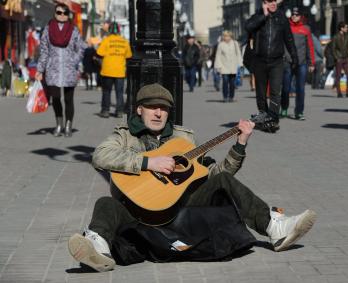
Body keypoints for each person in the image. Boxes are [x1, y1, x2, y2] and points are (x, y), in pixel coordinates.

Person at [67, 83, 317, 272]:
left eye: (163, 108)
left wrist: (239, 145)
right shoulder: (125, 135)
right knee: (105, 203)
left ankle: (275, 227)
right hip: (137, 212)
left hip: (180, 208)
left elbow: (214, 176)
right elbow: (100, 156)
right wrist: (148, 162)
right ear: (139, 109)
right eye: (152, 107)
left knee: (224, 182)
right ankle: (98, 250)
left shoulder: (184, 139)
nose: (158, 113)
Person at [245, 0, 298, 131]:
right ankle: (264, 116)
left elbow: (289, 39)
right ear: (264, 3)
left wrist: (294, 56)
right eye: (269, 2)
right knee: (261, 93)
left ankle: (273, 119)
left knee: (275, 92)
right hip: (260, 60)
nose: (273, 4)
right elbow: (248, 27)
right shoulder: (257, 15)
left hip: (277, 61)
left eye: (274, 1)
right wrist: (263, 15)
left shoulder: (281, 17)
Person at [35, 3, 85, 137]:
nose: (62, 15)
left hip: (69, 70)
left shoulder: (73, 30)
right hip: (53, 70)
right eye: (59, 12)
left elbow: (80, 48)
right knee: (56, 98)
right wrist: (40, 69)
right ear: (54, 13)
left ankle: (68, 125)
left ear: (68, 15)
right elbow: (44, 50)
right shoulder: (48, 29)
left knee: (69, 100)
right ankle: (59, 123)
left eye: (65, 13)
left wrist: (73, 61)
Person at [280, 7, 315, 120]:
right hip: (288, 62)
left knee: (300, 89)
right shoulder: (286, 28)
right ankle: (284, 108)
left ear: (301, 16)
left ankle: (299, 112)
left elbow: (310, 46)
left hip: (302, 63)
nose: (294, 16)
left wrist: (311, 63)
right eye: (293, 14)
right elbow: (281, 44)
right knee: (285, 88)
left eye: (297, 15)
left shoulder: (306, 29)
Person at [96, 22, 132, 118]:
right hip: (120, 71)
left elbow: (99, 53)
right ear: (119, 31)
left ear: (110, 30)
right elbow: (128, 56)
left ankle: (105, 111)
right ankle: (119, 111)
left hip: (107, 71)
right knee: (119, 92)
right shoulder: (124, 41)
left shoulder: (106, 40)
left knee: (106, 91)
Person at [214, 30, 243, 102]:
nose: (226, 38)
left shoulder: (235, 43)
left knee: (232, 83)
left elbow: (238, 54)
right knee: (225, 82)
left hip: (233, 66)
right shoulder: (221, 44)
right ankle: (225, 97)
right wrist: (218, 66)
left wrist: (240, 64)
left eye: (228, 36)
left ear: (230, 36)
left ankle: (231, 96)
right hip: (224, 66)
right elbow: (218, 56)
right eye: (225, 36)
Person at [332, 22, 348, 98]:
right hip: (339, 58)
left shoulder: (347, 36)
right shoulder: (335, 37)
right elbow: (333, 49)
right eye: (345, 27)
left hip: (346, 58)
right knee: (338, 76)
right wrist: (337, 58)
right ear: (341, 28)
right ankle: (339, 92)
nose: (347, 29)